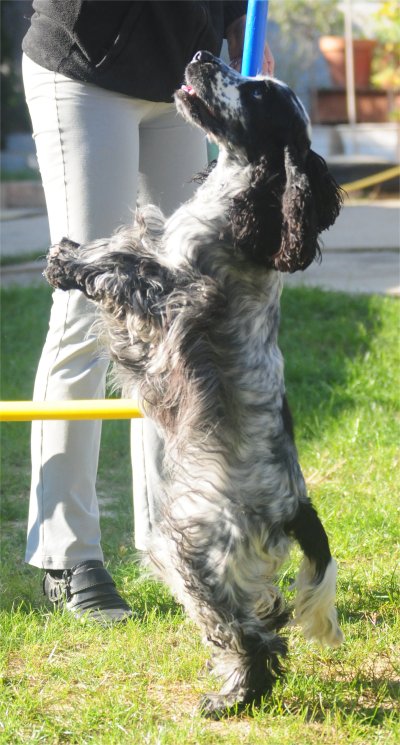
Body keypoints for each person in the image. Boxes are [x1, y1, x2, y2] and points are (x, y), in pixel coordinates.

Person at [22, 0, 274, 623]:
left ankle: (176, 540)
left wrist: (236, 27)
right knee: (88, 303)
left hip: (182, 74)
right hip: (84, 65)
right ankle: (68, 555)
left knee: (180, 317)